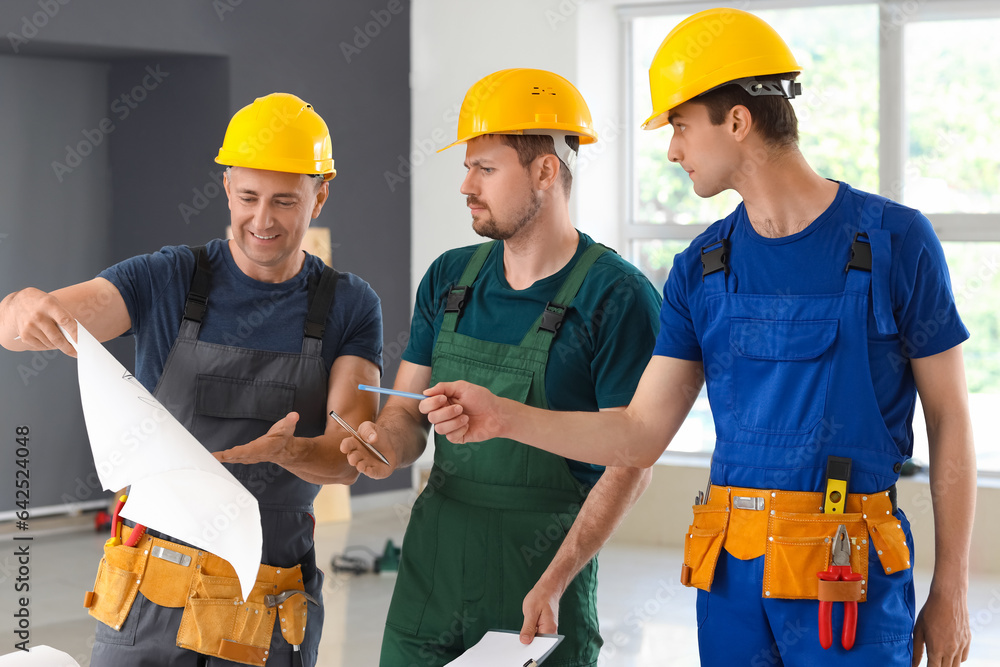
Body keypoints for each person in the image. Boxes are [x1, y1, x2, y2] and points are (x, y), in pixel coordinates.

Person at [420, 9, 976, 667]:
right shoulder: (702, 266)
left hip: (844, 576)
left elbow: (950, 421)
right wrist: (502, 415)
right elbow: (639, 433)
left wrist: (952, 585)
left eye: (681, 126)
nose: (673, 149)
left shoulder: (894, 242)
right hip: (731, 577)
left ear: (736, 121)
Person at [0, 92, 383, 666]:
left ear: (320, 195)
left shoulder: (348, 305)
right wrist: (19, 306)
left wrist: (289, 452)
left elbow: (345, 457)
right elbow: (33, 325)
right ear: (227, 189)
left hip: (267, 598)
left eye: (284, 201)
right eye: (248, 197)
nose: (263, 219)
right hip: (149, 590)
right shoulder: (167, 277)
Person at [339, 68, 662, 666]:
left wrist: (558, 577)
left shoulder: (617, 296)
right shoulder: (449, 278)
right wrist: (381, 446)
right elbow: (406, 419)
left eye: (485, 168)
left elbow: (632, 461)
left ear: (545, 171)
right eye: (467, 167)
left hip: (538, 583)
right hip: (431, 576)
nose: (466, 185)